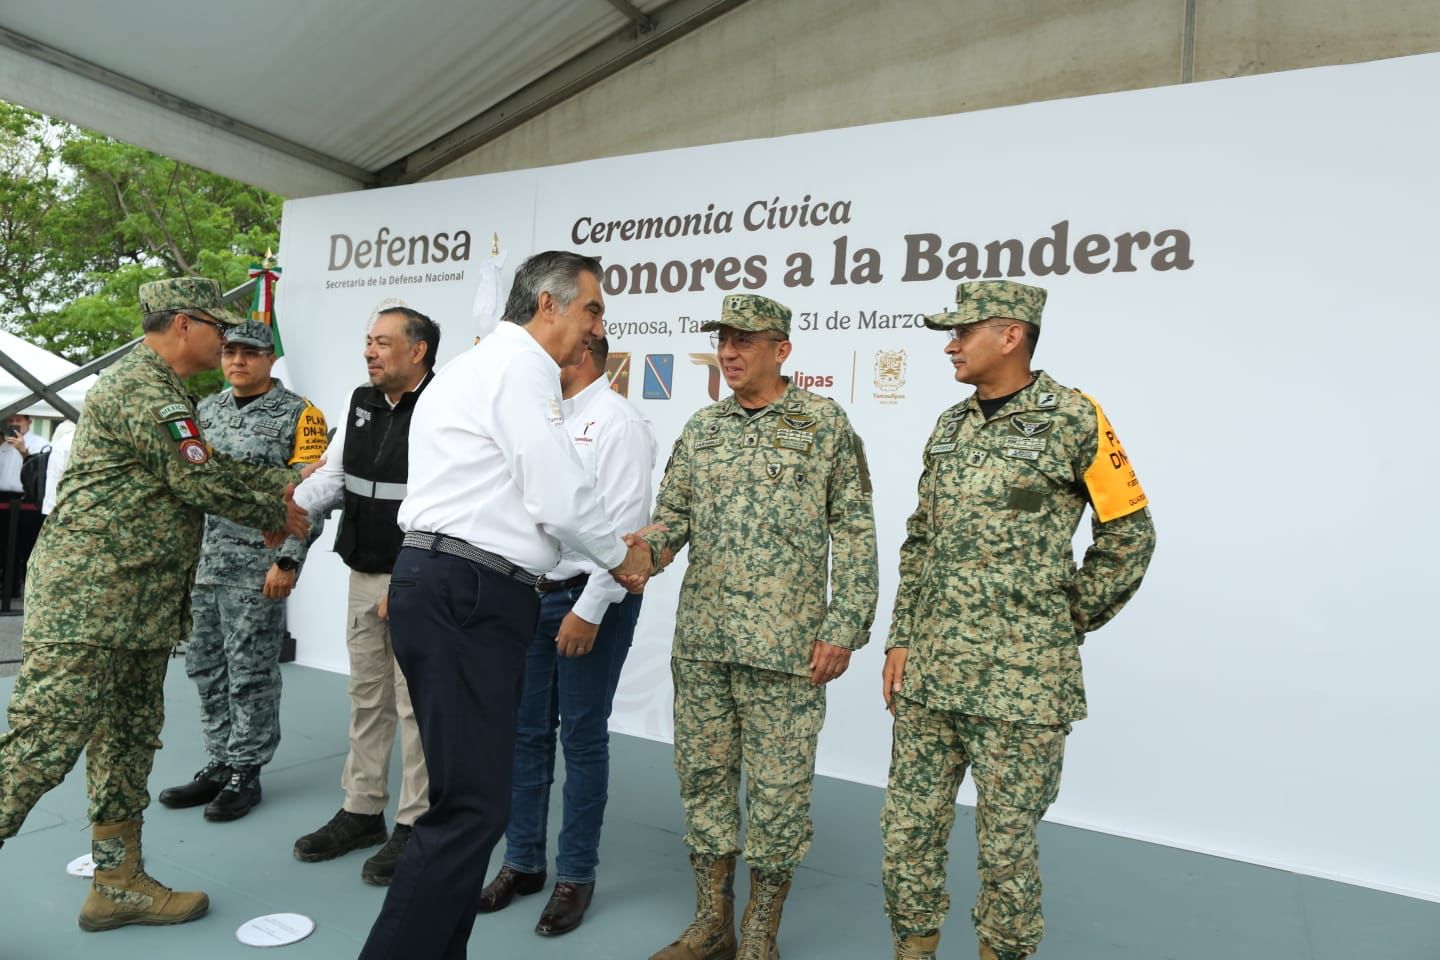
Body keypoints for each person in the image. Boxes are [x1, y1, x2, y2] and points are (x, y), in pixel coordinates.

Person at [356, 250, 654, 960]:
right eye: (592, 309)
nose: (597, 327)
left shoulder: (475, 367)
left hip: (449, 584)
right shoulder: (521, 369)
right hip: (471, 591)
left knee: (470, 799)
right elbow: (557, 493)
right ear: (548, 304)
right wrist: (622, 558)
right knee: (470, 808)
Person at [0, 277, 310, 932]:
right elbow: (197, 476)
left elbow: (207, 464)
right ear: (184, 325)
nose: (227, 341)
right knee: (40, 745)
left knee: (127, 740)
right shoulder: (141, 388)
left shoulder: (170, 392)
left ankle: (118, 883)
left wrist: (291, 482)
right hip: (90, 604)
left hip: (137, 606)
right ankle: (117, 882)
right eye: (219, 328)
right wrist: (281, 505)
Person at [880, 280, 1157, 960]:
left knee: (1006, 850)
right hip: (932, 675)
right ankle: (913, 949)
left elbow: (1130, 534)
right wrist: (901, 638)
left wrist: (1062, 619)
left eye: (962, 332)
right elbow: (922, 539)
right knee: (906, 835)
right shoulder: (949, 425)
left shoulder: (1075, 417)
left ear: (1011, 336)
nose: (950, 345)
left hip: (1021, 685)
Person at [642, 293, 879, 960]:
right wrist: (640, 555)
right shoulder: (703, 427)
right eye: (724, 339)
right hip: (705, 646)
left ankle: (759, 935)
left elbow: (855, 532)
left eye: (745, 340)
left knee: (778, 801)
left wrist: (844, 626)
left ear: (782, 349)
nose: (729, 352)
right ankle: (711, 924)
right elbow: (672, 518)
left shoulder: (823, 423)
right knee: (704, 785)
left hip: (788, 652)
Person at [477, 334, 657, 935]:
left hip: (590, 599)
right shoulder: (545, 417)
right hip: (533, 593)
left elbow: (628, 530)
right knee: (527, 733)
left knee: (581, 738)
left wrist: (591, 607)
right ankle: (523, 861)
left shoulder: (619, 422)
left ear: (580, 354)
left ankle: (576, 875)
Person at [290, 302, 440, 885]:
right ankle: (361, 810)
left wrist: (408, 578)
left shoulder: (446, 407)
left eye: (381, 342)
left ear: (417, 350)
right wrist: (286, 507)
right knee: (368, 696)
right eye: (367, 341)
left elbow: (448, 503)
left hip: (419, 577)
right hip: (364, 572)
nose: (368, 352)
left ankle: (416, 821)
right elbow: (332, 476)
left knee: (416, 704)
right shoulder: (360, 401)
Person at [157, 320, 328, 822]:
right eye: (229, 351)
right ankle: (219, 760)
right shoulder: (204, 411)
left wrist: (288, 560)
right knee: (205, 666)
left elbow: (310, 495)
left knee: (250, 672)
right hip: (203, 563)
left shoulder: (300, 415)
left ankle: (245, 771)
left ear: (270, 358)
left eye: (250, 353)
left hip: (257, 566)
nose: (237, 361)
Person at [0, 411, 44, 590]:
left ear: (29, 422)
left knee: (27, 545)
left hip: (28, 500)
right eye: (10, 420)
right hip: (3, 498)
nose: (14, 423)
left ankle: (28, 586)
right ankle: (8, 586)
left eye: (18, 420)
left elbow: (39, 472)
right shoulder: (4, 444)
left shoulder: (40, 443)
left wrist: (23, 451)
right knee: (4, 544)